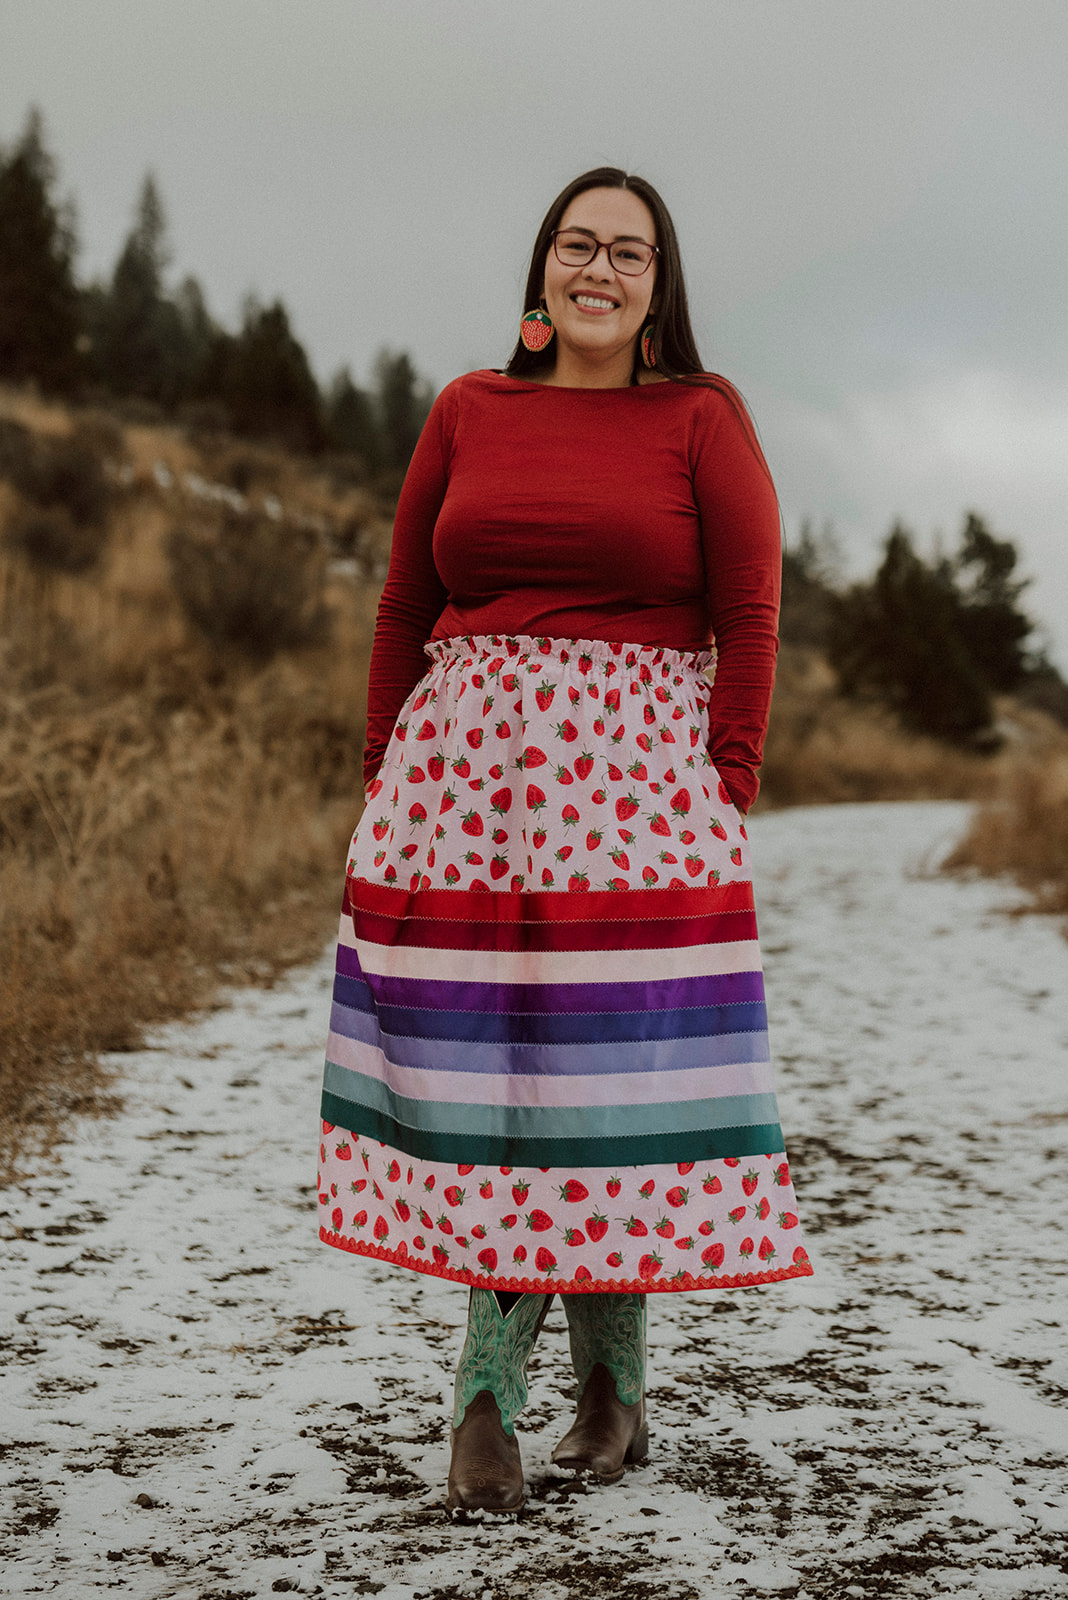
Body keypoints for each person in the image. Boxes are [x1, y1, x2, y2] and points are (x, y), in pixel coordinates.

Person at [317, 166, 811, 1514]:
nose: (599, 268)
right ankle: (526, 1397)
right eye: (577, 245)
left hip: (640, 788)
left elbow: (753, 612)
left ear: (660, 287)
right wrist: (382, 773)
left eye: (629, 253)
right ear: (543, 269)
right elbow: (405, 599)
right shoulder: (469, 409)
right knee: (489, 1084)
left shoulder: (701, 418)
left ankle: (567, 1394)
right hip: (463, 792)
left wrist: (729, 782)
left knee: (605, 1090)